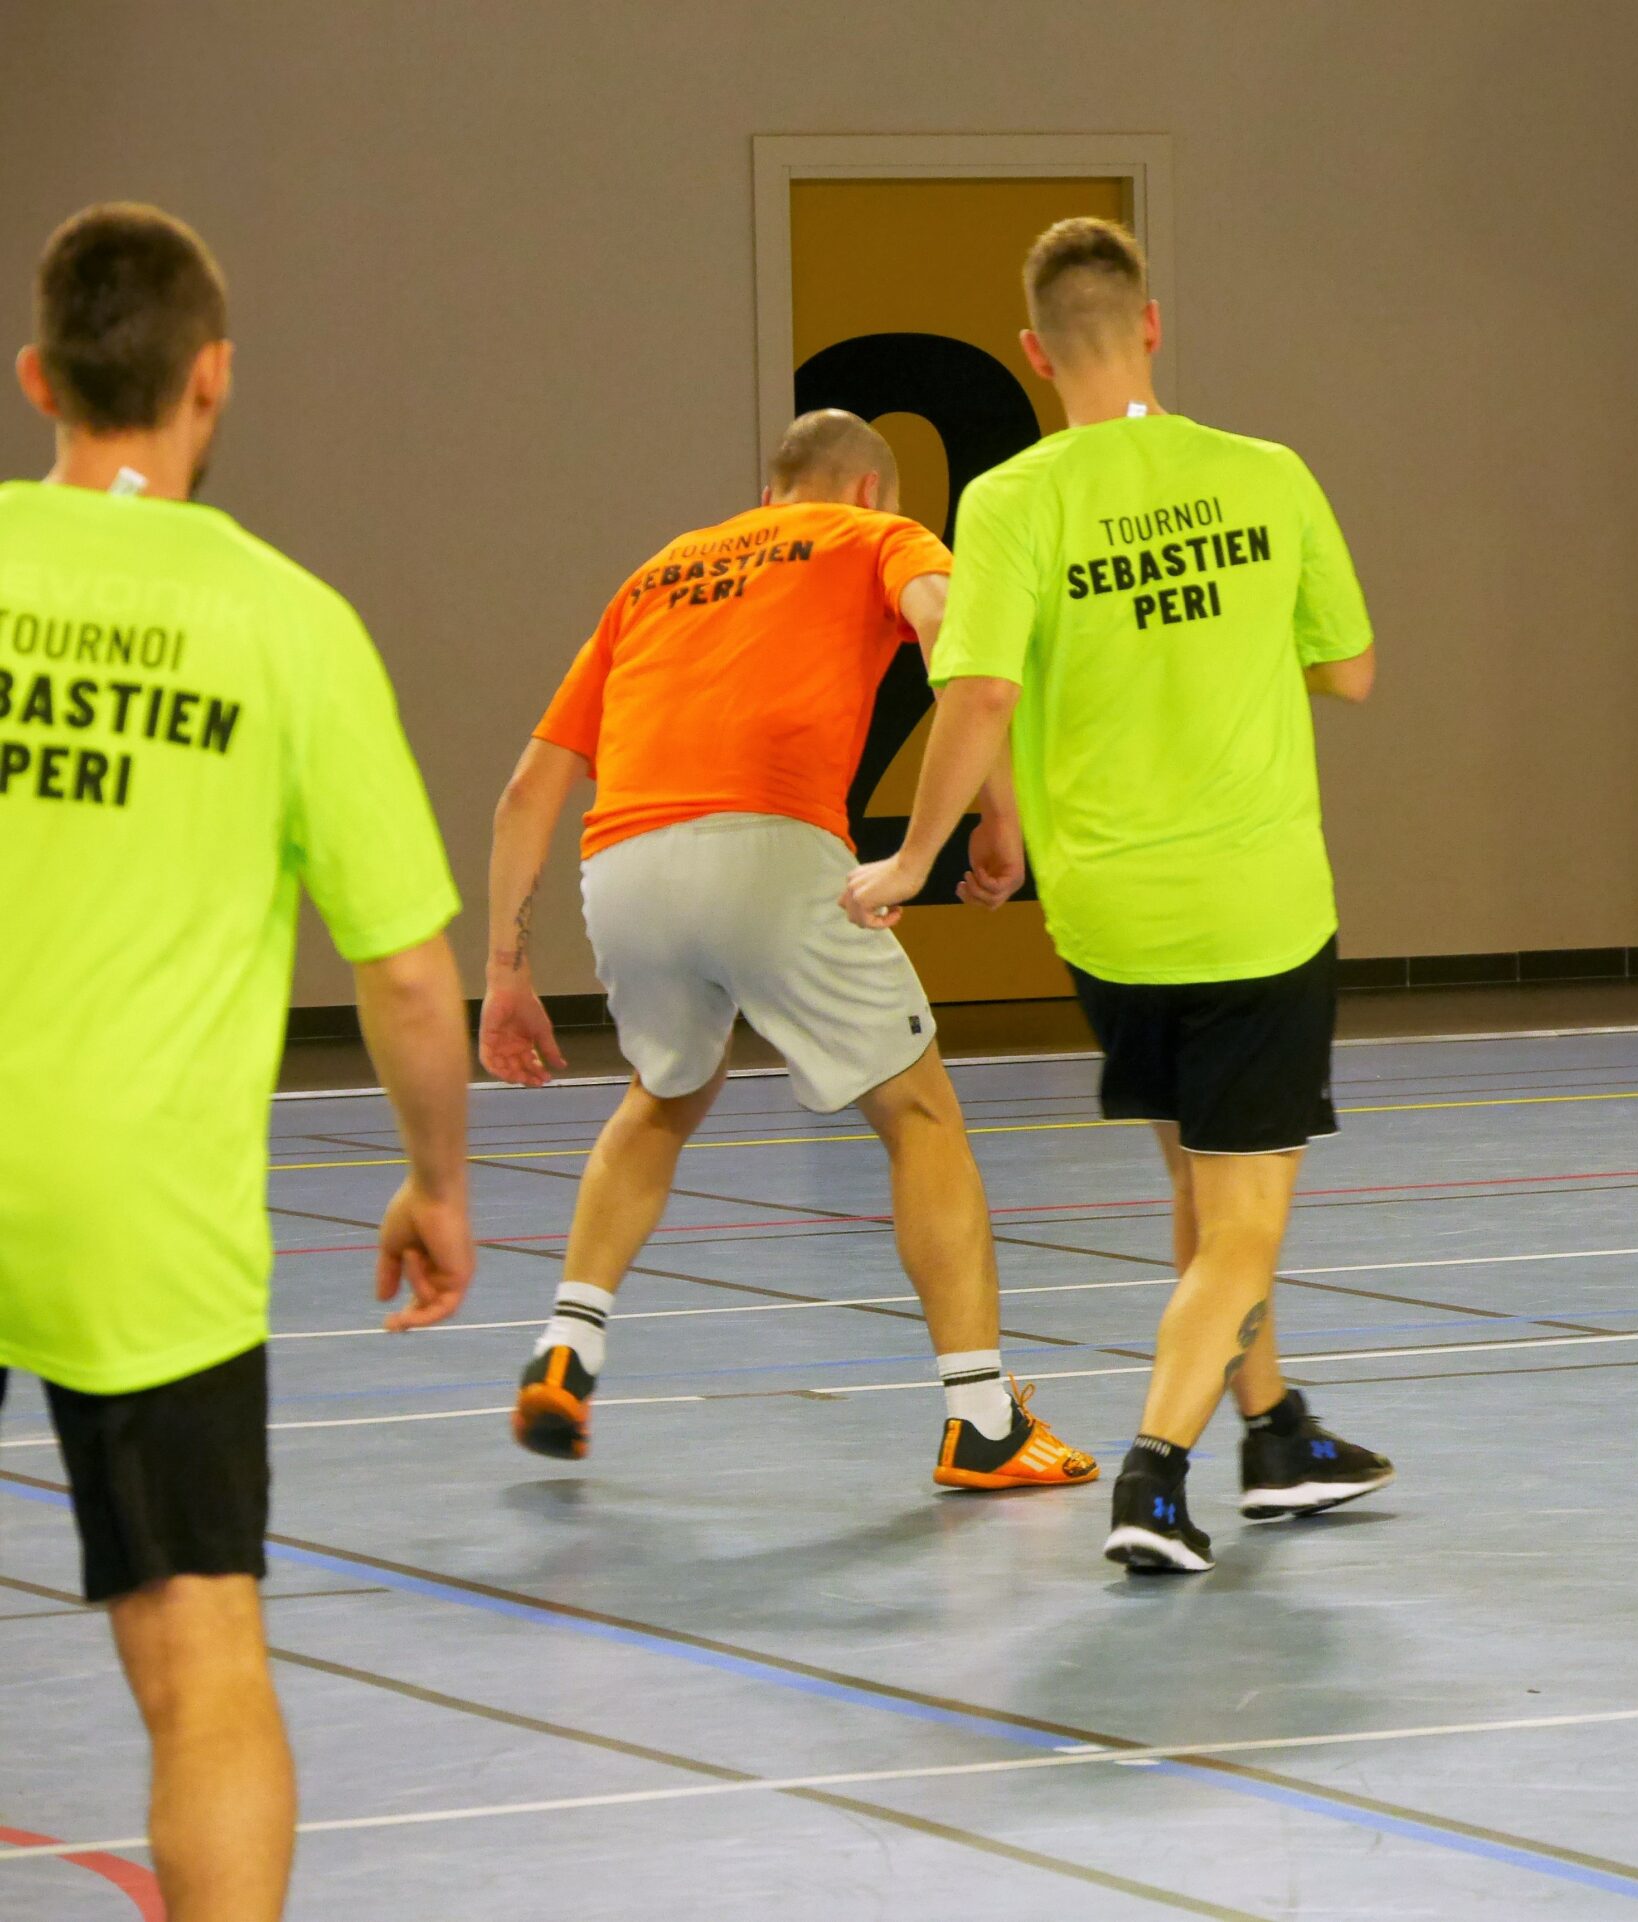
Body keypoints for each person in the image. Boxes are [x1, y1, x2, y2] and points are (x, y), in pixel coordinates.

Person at [0, 204, 473, 1922]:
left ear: (40, 376)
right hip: (145, 1218)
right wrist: (434, 1181)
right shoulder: (290, 624)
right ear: (212, 380)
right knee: (204, 1652)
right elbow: (412, 977)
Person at [845, 217, 1391, 1574]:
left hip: (1108, 922)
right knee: (1247, 1222)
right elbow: (1354, 669)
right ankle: (1156, 1474)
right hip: (1254, 907)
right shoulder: (1267, 476)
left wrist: (915, 862)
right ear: (1153, 323)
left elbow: (977, 693)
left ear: (1036, 354)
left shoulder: (1013, 501)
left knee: (1203, 1189)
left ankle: (1278, 1434)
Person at [477, 409, 1094, 1492]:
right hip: (768, 844)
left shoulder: (659, 572)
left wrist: (504, 971)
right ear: (868, 492)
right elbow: (961, 640)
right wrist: (993, 817)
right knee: (919, 1112)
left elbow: (528, 790)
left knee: (663, 1094)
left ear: (771, 493)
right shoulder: (875, 538)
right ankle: (982, 1418)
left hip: (620, 865)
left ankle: (569, 1342)